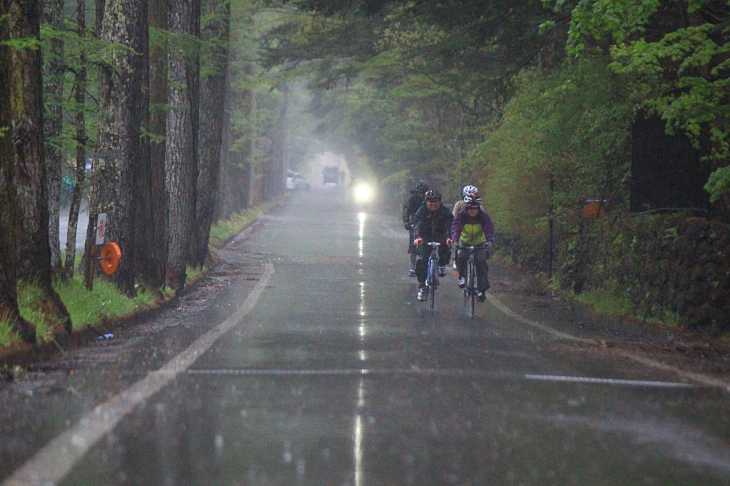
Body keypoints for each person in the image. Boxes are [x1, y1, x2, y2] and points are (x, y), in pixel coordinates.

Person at [451, 192, 494, 302]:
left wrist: (489, 241)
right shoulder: (461, 216)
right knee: (460, 256)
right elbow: (456, 228)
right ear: (466, 208)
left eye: (475, 208)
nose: (473, 211)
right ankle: (461, 276)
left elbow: (488, 229)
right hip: (464, 240)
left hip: (479, 241)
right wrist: (455, 241)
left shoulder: (483, 217)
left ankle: (482, 290)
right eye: (470, 209)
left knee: (481, 262)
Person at [413, 189, 454, 302]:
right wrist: (418, 237)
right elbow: (417, 224)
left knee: (445, 249)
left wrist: (449, 237)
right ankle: (422, 287)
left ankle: (441, 265)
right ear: (426, 202)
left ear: (440, 202)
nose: (433, 204)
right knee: (422, 261)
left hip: (441, 236)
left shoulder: (445, 212)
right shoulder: (422, 211)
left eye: (436, 201)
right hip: (425, 238)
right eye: (430, 201)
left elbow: (449, 225)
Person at [402, 180, 429, 276]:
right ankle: (412, 267)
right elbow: (406, 209)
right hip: (415, 222)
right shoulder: (412, 198)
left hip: (427, 222)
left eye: (424, 192)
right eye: (420, 192)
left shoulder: (429, 198)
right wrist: (406, 221)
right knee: (413, 244)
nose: (422, 195)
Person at [451, 185, 480, 270]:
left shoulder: (479, 205)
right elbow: (454, 217)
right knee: (458, 245)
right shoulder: (459, 204)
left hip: (475, 230)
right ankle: (456, 259)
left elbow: (483, 219)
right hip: (461, 229)